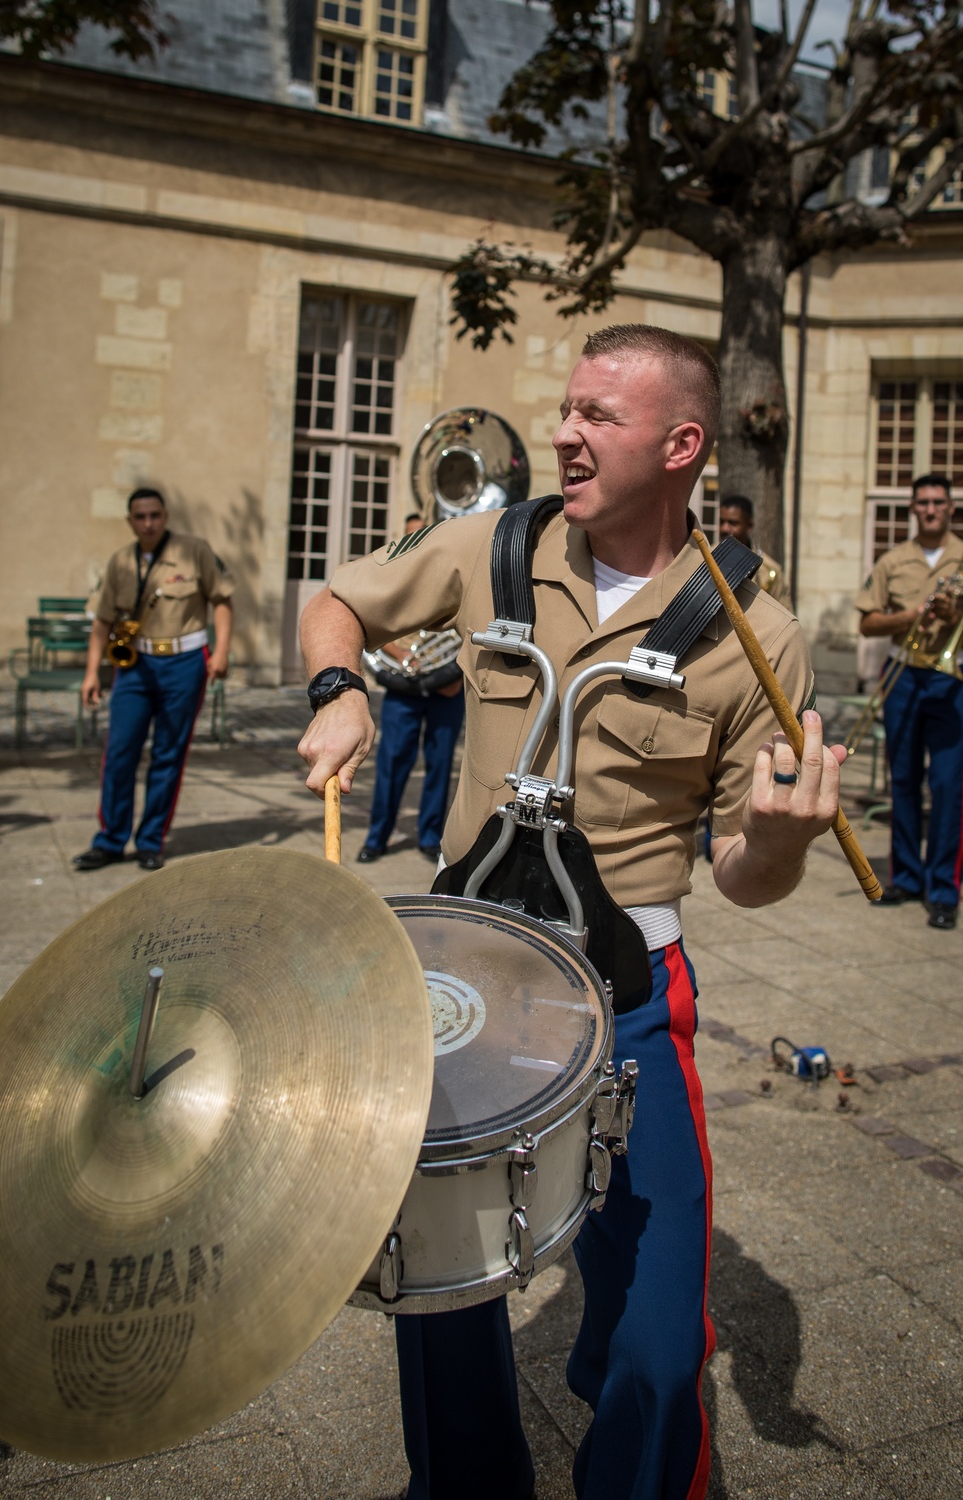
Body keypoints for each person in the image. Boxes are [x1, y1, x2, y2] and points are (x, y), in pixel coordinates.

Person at [297, 324, 846, 1500]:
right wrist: (342, 692)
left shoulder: (759, 637)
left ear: (681, 444)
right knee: (437, 1283)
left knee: (656, 1346)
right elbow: (338, 602)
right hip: (468, 979)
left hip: (629, 995)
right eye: (568, 408)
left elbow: (744, 872)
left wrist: (784, 840)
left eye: (599, 414)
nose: (562, 432)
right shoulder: (490, 546)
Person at [72, 487, 234, 873]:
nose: (148, 523)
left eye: (154, 515)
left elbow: (223, 599)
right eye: (140, 517)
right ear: (130, 521)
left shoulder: (194, 550)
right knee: (120, 753)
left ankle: (150, 840)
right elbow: (102, 621)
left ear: (165, 515)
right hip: (135, 665)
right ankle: (110, 840)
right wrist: (92, 671)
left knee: (168, 753)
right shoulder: (120, 562)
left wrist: (223, 651)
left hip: (185, 662)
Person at [855, 473, 963, 930]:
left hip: (951, 680)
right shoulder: (893, 561)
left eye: (938, 502)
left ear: (951, 507)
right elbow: (867, 622)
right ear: (913, 509)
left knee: (947, 786)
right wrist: (911, 616)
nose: (931, 509)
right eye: (922, 502)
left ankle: (942, 888)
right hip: (902, 675)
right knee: (902, 780)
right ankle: (906, 877)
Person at [358, 515, 466, 864]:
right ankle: (378, 836)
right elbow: (370, 623)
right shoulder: (392, 576)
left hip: (447, 685)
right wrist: (399, 652)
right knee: (391, 763)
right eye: (411, 536)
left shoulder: (459, 573)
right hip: (403, 683)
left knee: (440, 763)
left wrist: (458, 672)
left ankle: (430, 836)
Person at [718, 493, 793, 609]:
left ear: (749, 525)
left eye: (733, 523)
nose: (724, 528)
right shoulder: (704, 558)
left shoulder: (770, 570)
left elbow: (785, 614)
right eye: (722, 522)